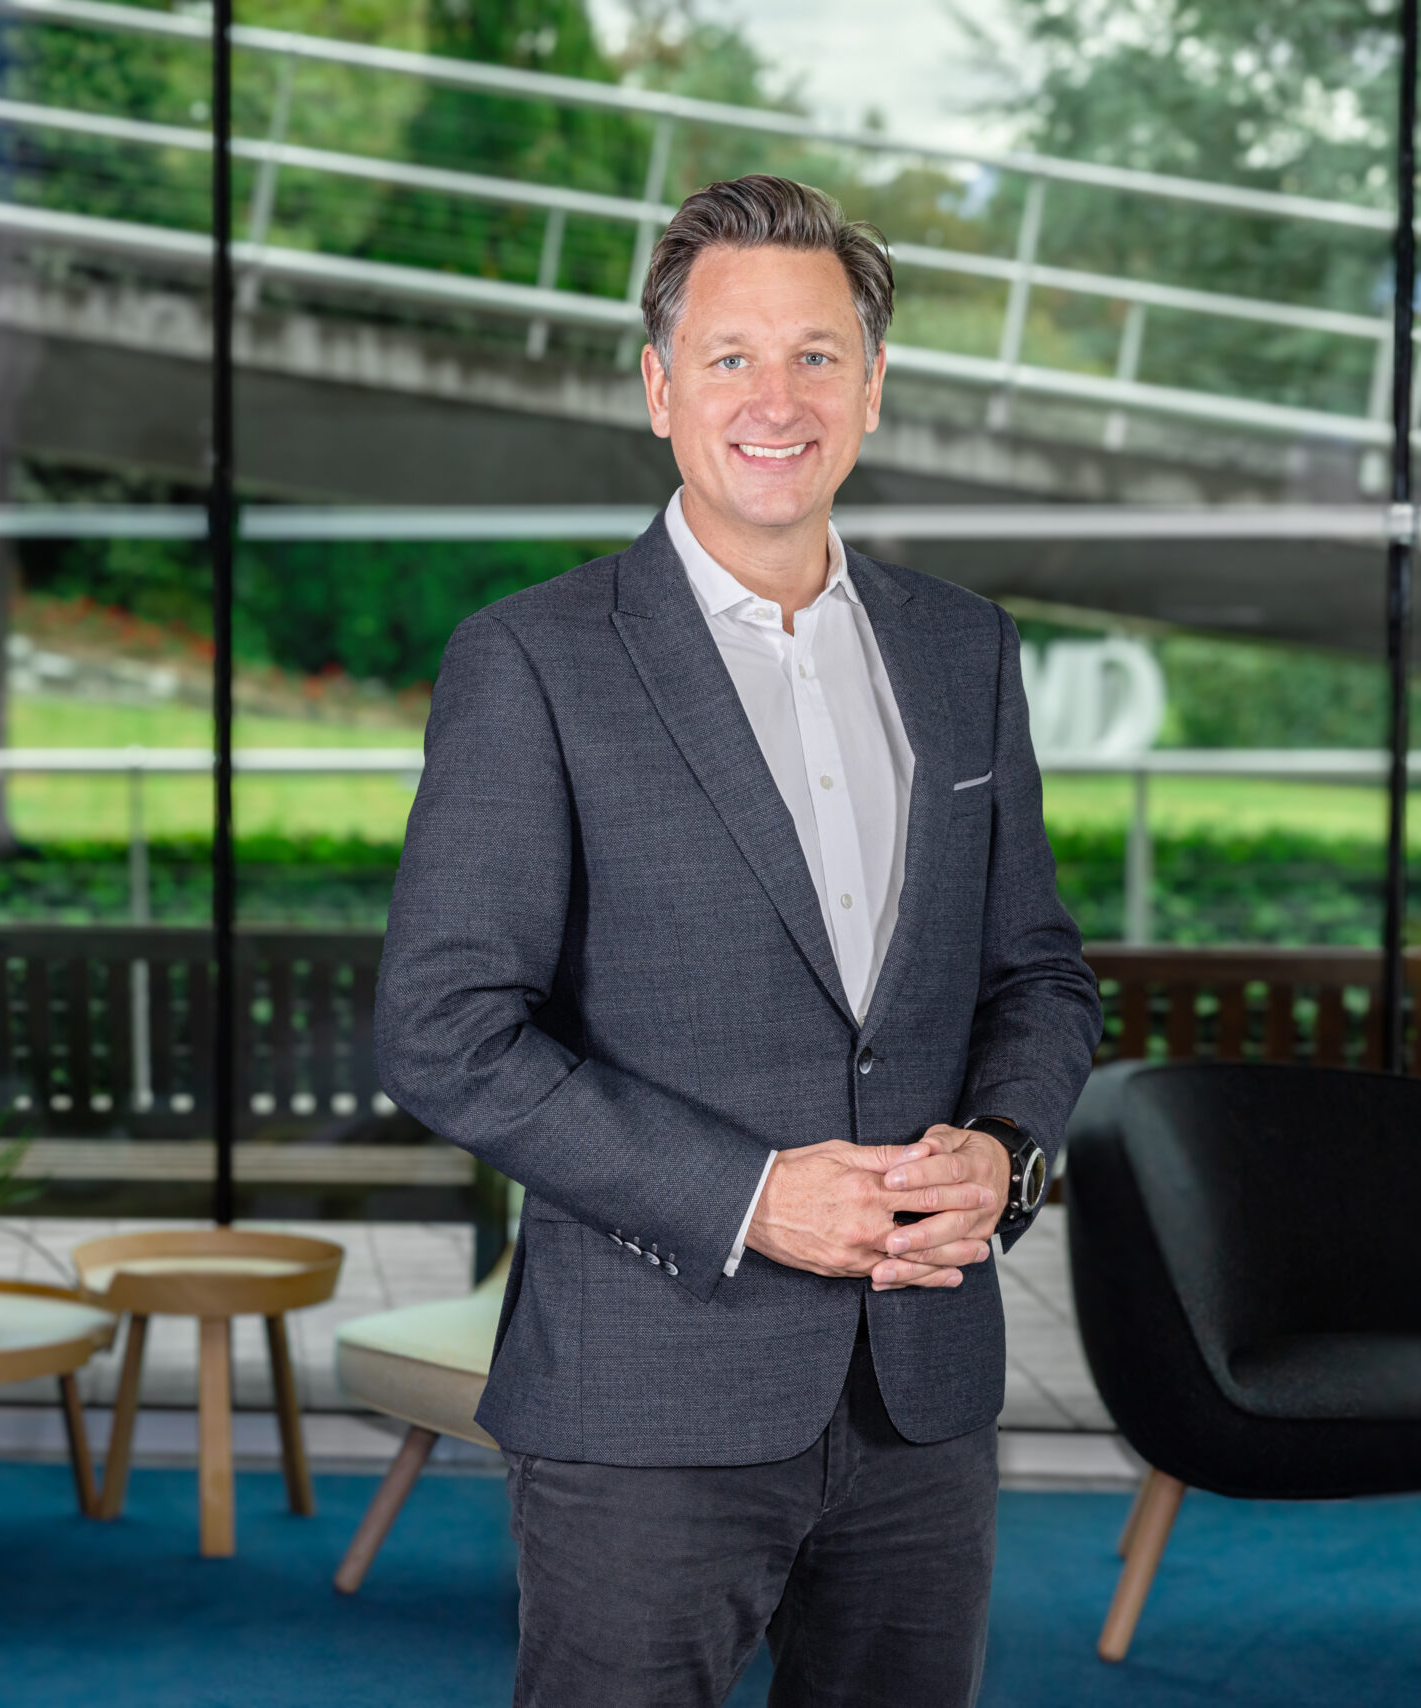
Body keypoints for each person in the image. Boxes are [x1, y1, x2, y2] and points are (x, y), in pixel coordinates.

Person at [374, 175, 1103, 1708]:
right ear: (658, 389)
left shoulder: (965, 648)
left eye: (819, 356)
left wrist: (1007, 1152)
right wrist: (751, 1195)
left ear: (875, 388)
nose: (778, 398)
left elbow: (1036, 970)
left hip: (922, 1395)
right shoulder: (531, 660)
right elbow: (446, 1031)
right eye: (730, 357)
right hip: (650, 1391)